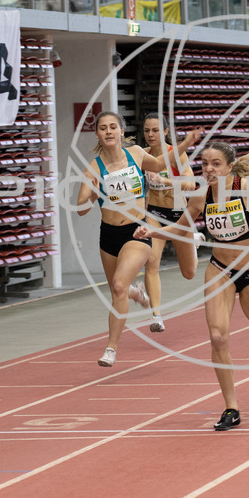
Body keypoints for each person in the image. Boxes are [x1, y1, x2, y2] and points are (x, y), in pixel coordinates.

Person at [134, 141, 249, 431]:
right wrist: (153, 230)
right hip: (220, 271)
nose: (208, 169)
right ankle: (231, 408)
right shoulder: (200, 197)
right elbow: (182, 228)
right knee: (218, 337)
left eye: (215, 164)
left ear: (229, 167)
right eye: (205, 163)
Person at [76, 111, 171, 367]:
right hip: (108, 235)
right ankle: (136, 293)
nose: (108, 131)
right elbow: (81, 208)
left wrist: (184, 144)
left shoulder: (137, 154)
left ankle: (111, 348)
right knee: (118, 288)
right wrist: (93, 194)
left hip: (136, 230)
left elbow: (160, 165)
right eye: (103, 128)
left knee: (118, 286)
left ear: (121, 131)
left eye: (113, 127)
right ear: (97, 134)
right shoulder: (94, 168)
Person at [139, 115, 202, 332]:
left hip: (178, 213)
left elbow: (191, 184)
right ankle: (156, 315)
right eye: (147, 130)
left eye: (155, 130)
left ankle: (193, 240)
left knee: (189, 273)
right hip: (154, 213)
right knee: (152, 260)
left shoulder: (176, 154)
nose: (150, 135)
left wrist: (165, 181)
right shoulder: (143, 155)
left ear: (165, 132)